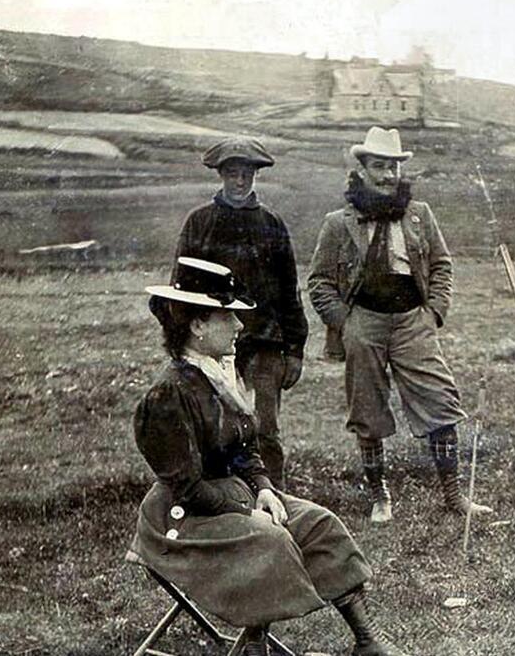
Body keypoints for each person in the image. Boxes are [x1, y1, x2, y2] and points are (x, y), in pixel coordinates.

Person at [128, 257, 403, 656]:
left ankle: (368, 640)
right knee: (269, 540)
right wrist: (244, 512)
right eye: (228, 317)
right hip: (181, 520)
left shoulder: (218, 376)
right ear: (197, 326)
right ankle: (254, 646)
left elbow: (245, 447)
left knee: (317, 525)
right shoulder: (168, 396)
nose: (240, 326)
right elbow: (186, 487)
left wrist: (264, 489)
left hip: (234, 497)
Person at [306, 126, 492, 524]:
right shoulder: (339, 223)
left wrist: (434, 311)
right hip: (364, 323)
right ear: (363, 168)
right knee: (368, 412)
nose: (388, 175)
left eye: (393, 167)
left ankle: (454, 496)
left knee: (440, 403)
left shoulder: (419, 215)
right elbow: (318, 282)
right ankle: (380, 497)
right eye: (379, 166)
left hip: (413, 321)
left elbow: (442, 265)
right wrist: (345, 322)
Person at [171, 136, 308, 488]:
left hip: (264, 346)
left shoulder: (272, 224)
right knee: (211, 429)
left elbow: (290, 292)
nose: (240, 181)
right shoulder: (199, 223)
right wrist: (183, 344)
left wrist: (294, 350)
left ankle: (274, 503)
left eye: (247, 173)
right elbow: (179, 290)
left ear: (255, 175)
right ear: (221, 174)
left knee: (264, 431)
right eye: (232, 173)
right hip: (210, 347)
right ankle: (221, 507)